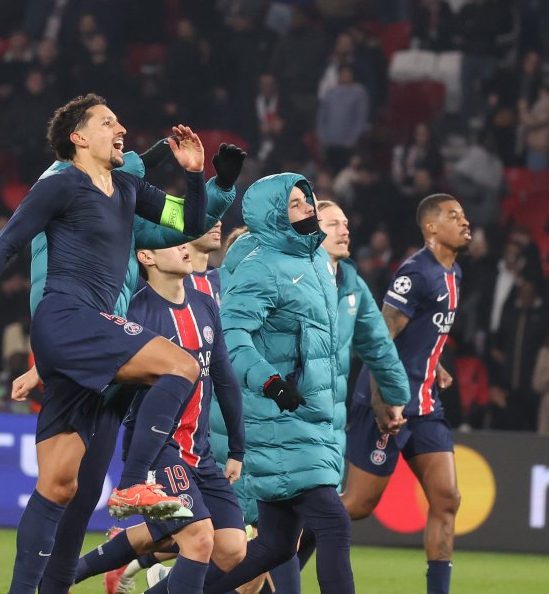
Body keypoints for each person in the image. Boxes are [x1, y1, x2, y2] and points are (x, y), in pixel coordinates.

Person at [0, 94, 210, 594]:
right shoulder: (61, 184)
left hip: (83, 333)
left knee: (59, 485)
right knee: (180, 364)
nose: (120, 128)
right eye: (107, 122)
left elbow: (189, 225)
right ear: (79, 137)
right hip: (67, 318)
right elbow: (3, 246)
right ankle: (136, 482)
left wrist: (195, 174)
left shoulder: (129, 187)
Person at [15, 142, 245, 594]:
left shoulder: (140, 238)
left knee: (81, 502)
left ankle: (72, 574)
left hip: (127, 385)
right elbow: (60, 308)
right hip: (90, 363)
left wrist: (219, 184)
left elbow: (190, 220)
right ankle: (128, 492)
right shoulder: (62, 202)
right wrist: (44, 362)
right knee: (65, 492)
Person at [201, 174, 354, 594]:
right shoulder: (262, 267)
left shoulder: (315, 263)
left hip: (310, 418)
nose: (308, 206)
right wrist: (270, 383)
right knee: (333, 524)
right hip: (279, 416)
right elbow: (231, 339)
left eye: (308, 199)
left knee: (273, 546)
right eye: (294, 204)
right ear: (273, 216)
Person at [69, 242, 247, 594]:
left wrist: (237, 448)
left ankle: (67, 574)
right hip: (156, 448)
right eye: (173, 245)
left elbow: (224, 378)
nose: (185, 249)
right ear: (146, 257)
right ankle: (63, 574)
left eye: (185, 243)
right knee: (198, 539)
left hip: (200, 450)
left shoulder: (205, 304)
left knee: (232, 549)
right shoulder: (137, 312)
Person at [262, 199, 411, 592]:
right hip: (283, 420)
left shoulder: (350, 282)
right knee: (324, 523)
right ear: (311, 230)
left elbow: (378, 346)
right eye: (333, 223)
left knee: (276, 540)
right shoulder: (288, 276)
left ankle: (171, 582)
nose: (345, 230)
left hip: (328, 426)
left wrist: (395, 397)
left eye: (346, 222)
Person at [341, 194, 471, 594]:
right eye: (454, 216)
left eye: (464, 215)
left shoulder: (455, 273)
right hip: (387, 402)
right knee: (358, 506)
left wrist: (437, 363)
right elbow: (380, 338)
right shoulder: (416, 274)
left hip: (426, 405)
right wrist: (384, 404)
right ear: (431, 227)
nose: (465, 222)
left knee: (447, 498)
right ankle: (278, 549)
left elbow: (422, 335)